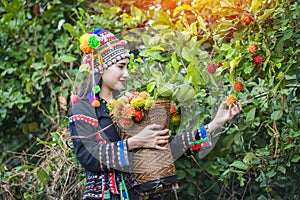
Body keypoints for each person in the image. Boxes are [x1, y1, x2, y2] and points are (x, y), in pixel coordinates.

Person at [68, 27, 242, 200]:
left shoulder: (128, 105)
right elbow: (87, 156)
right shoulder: (84, 108)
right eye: (121, 67)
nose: (126, 74)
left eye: (127, 67)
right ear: (101, 67)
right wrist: (134, 142)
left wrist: (215, 124)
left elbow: (166, 144)